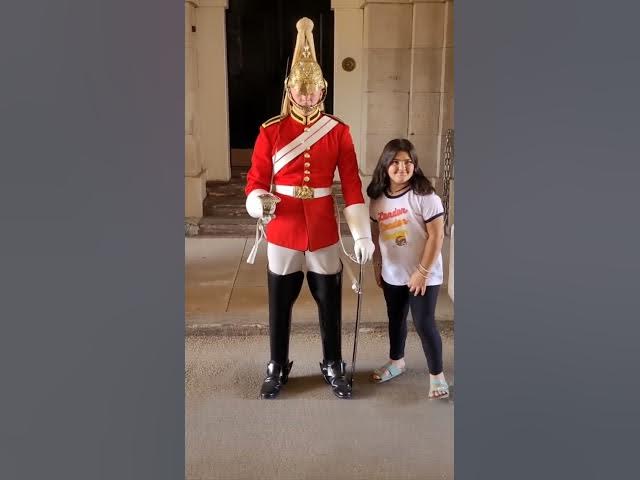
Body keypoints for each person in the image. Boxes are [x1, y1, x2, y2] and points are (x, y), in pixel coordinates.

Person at [244, 17, 374, 400]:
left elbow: (351, 185)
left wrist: (361, 234)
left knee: (330, 301)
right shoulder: (271, 131)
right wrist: (256, 202)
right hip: (283, 227)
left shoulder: (338, 132)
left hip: (321, 229)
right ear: (289, 90)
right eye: (300, 91)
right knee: (279, 305)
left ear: (323, 90)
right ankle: (277, 364)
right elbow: (255, 180)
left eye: (312, 90)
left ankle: (333, 362)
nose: (306, 97)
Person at [366, 138, 449, 399]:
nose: (402, 168)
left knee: (424, 323)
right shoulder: (377, 199)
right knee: (395, 318)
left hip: (424, 274)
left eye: (408, 163)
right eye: (396, 162)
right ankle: (396, 362)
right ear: (385, 164)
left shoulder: (426, 197)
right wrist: (377, 265)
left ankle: (437, 376)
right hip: (393, 273)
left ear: (415, 166)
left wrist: (422, 273)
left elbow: (437, 238)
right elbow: (375, 235)